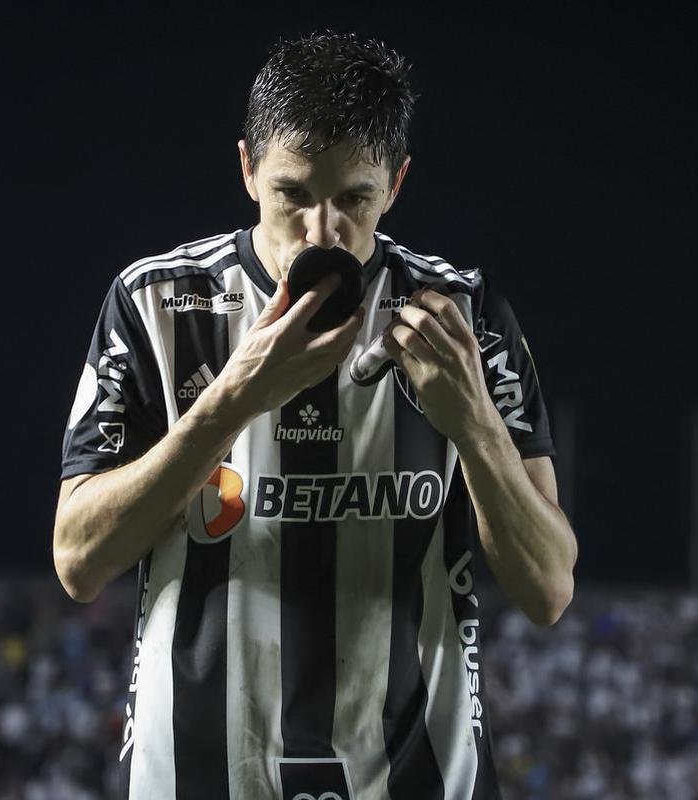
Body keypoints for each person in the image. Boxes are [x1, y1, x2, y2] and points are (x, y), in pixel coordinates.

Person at [53, 31, 578, 799]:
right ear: (246, 169)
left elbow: (548, 590)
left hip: (415, 780)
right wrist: (232, 400)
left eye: (354, 199)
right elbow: (78, 560)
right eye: (293, 194)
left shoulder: (462, 316)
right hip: (198, 776)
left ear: (396, 183)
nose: (322, 232)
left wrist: (474, 425)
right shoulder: (157, 305)